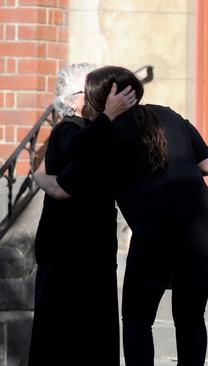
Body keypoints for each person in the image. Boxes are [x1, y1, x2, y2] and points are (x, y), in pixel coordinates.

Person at [35, 66, 208, 366]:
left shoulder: (106, 138)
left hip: (155, 240)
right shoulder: (166, 114)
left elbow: (63, 189)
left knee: (138, 320)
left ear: (104, 102)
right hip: (202, 235)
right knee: (191, 319)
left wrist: (39, 179)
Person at [29, 63, 134, 366]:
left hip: (92, 249)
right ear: (70, 100)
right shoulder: (68, 128)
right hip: (66, 250)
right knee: (61, 335)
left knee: (95, 335)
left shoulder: (93, 130)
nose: (92, 99)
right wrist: (108, 117)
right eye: (84, 93)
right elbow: (78, 150)